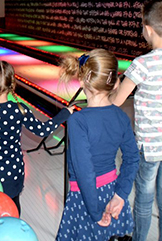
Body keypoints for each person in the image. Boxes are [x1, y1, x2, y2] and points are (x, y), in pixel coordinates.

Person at [111, 0, 162, 241]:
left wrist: (116, 85)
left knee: (144, 200)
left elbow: (117, 101)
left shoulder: (142, 64)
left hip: (149, 147)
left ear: (147, 30)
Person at [0, 60, 73, 214]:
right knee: (14, 205)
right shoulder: (19, 110)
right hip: (13, 170)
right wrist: (64, 113)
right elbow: (42, 130)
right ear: (13, 85)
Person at [56, 49, 139, 241]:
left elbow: (85, 172)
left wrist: (94, 212)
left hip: (85, 199)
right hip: (112, 195)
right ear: (116, 84)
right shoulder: (121, 116)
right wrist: (120, 195)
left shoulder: (78, 121)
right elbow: (133, 158)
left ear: (83, 81)